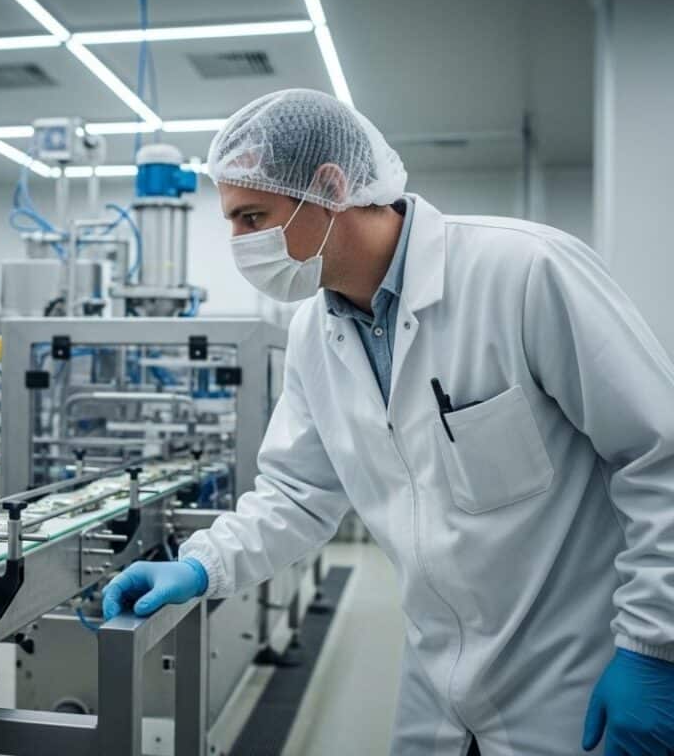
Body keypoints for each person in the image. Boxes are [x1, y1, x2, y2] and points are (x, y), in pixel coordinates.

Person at [102, 89, 674, 755]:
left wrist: (653, 645)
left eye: (252, 216)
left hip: (578, 684)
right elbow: (296, 497)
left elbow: (657, 455)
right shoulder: (316, 334)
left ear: (330, 186)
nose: (239, 244)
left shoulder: (522, 272)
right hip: (437, 689)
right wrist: (200, 566)